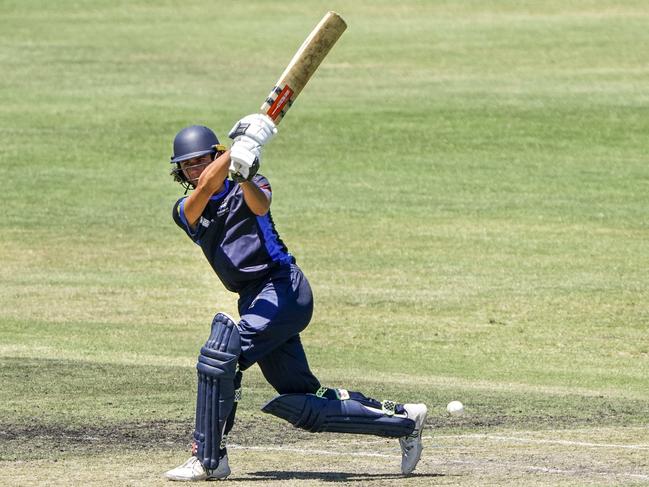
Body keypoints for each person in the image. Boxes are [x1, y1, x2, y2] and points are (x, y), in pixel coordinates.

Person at [163, 115, 428, 481]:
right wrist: (240, 142)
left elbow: (260, 205)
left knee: (221, 357)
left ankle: (208, 457)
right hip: (254, 300)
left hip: (284, 289)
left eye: (201, 160)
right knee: (303, 398)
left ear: (215, 156)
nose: (194, 169)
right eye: (187, 164)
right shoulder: (186, 210)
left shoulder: (250, 184)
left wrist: (241, 167)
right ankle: (404, 420)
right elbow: (207, 188)